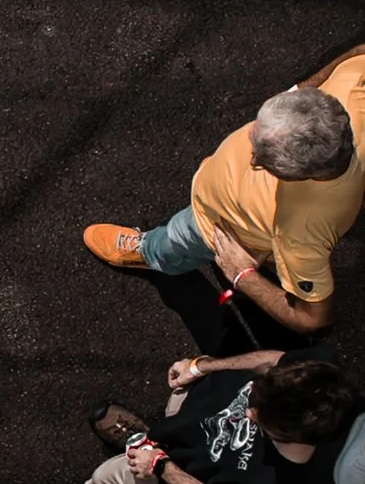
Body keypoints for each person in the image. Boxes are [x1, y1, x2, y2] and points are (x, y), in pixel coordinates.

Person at [85, 57, 364, 337]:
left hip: (215, 227)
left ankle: (149, 252)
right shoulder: (349, 84)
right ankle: (271, 261)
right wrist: (299, 91)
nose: (252, 159)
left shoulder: (302, 233)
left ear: (307, 175)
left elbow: (313, 319)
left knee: (175, 242)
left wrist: (243, 275)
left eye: (266, 163)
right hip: (255, 222)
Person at [18, 352, 362, 484]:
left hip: (171, 467)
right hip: (188, 414)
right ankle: (147, 435)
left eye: (260, 416)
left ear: (292, 436)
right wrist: (203, 367)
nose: (250, 412)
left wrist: (159, 465)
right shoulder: (318, 378)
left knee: (112, 477)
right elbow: (275, 359)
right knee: (173, 412)